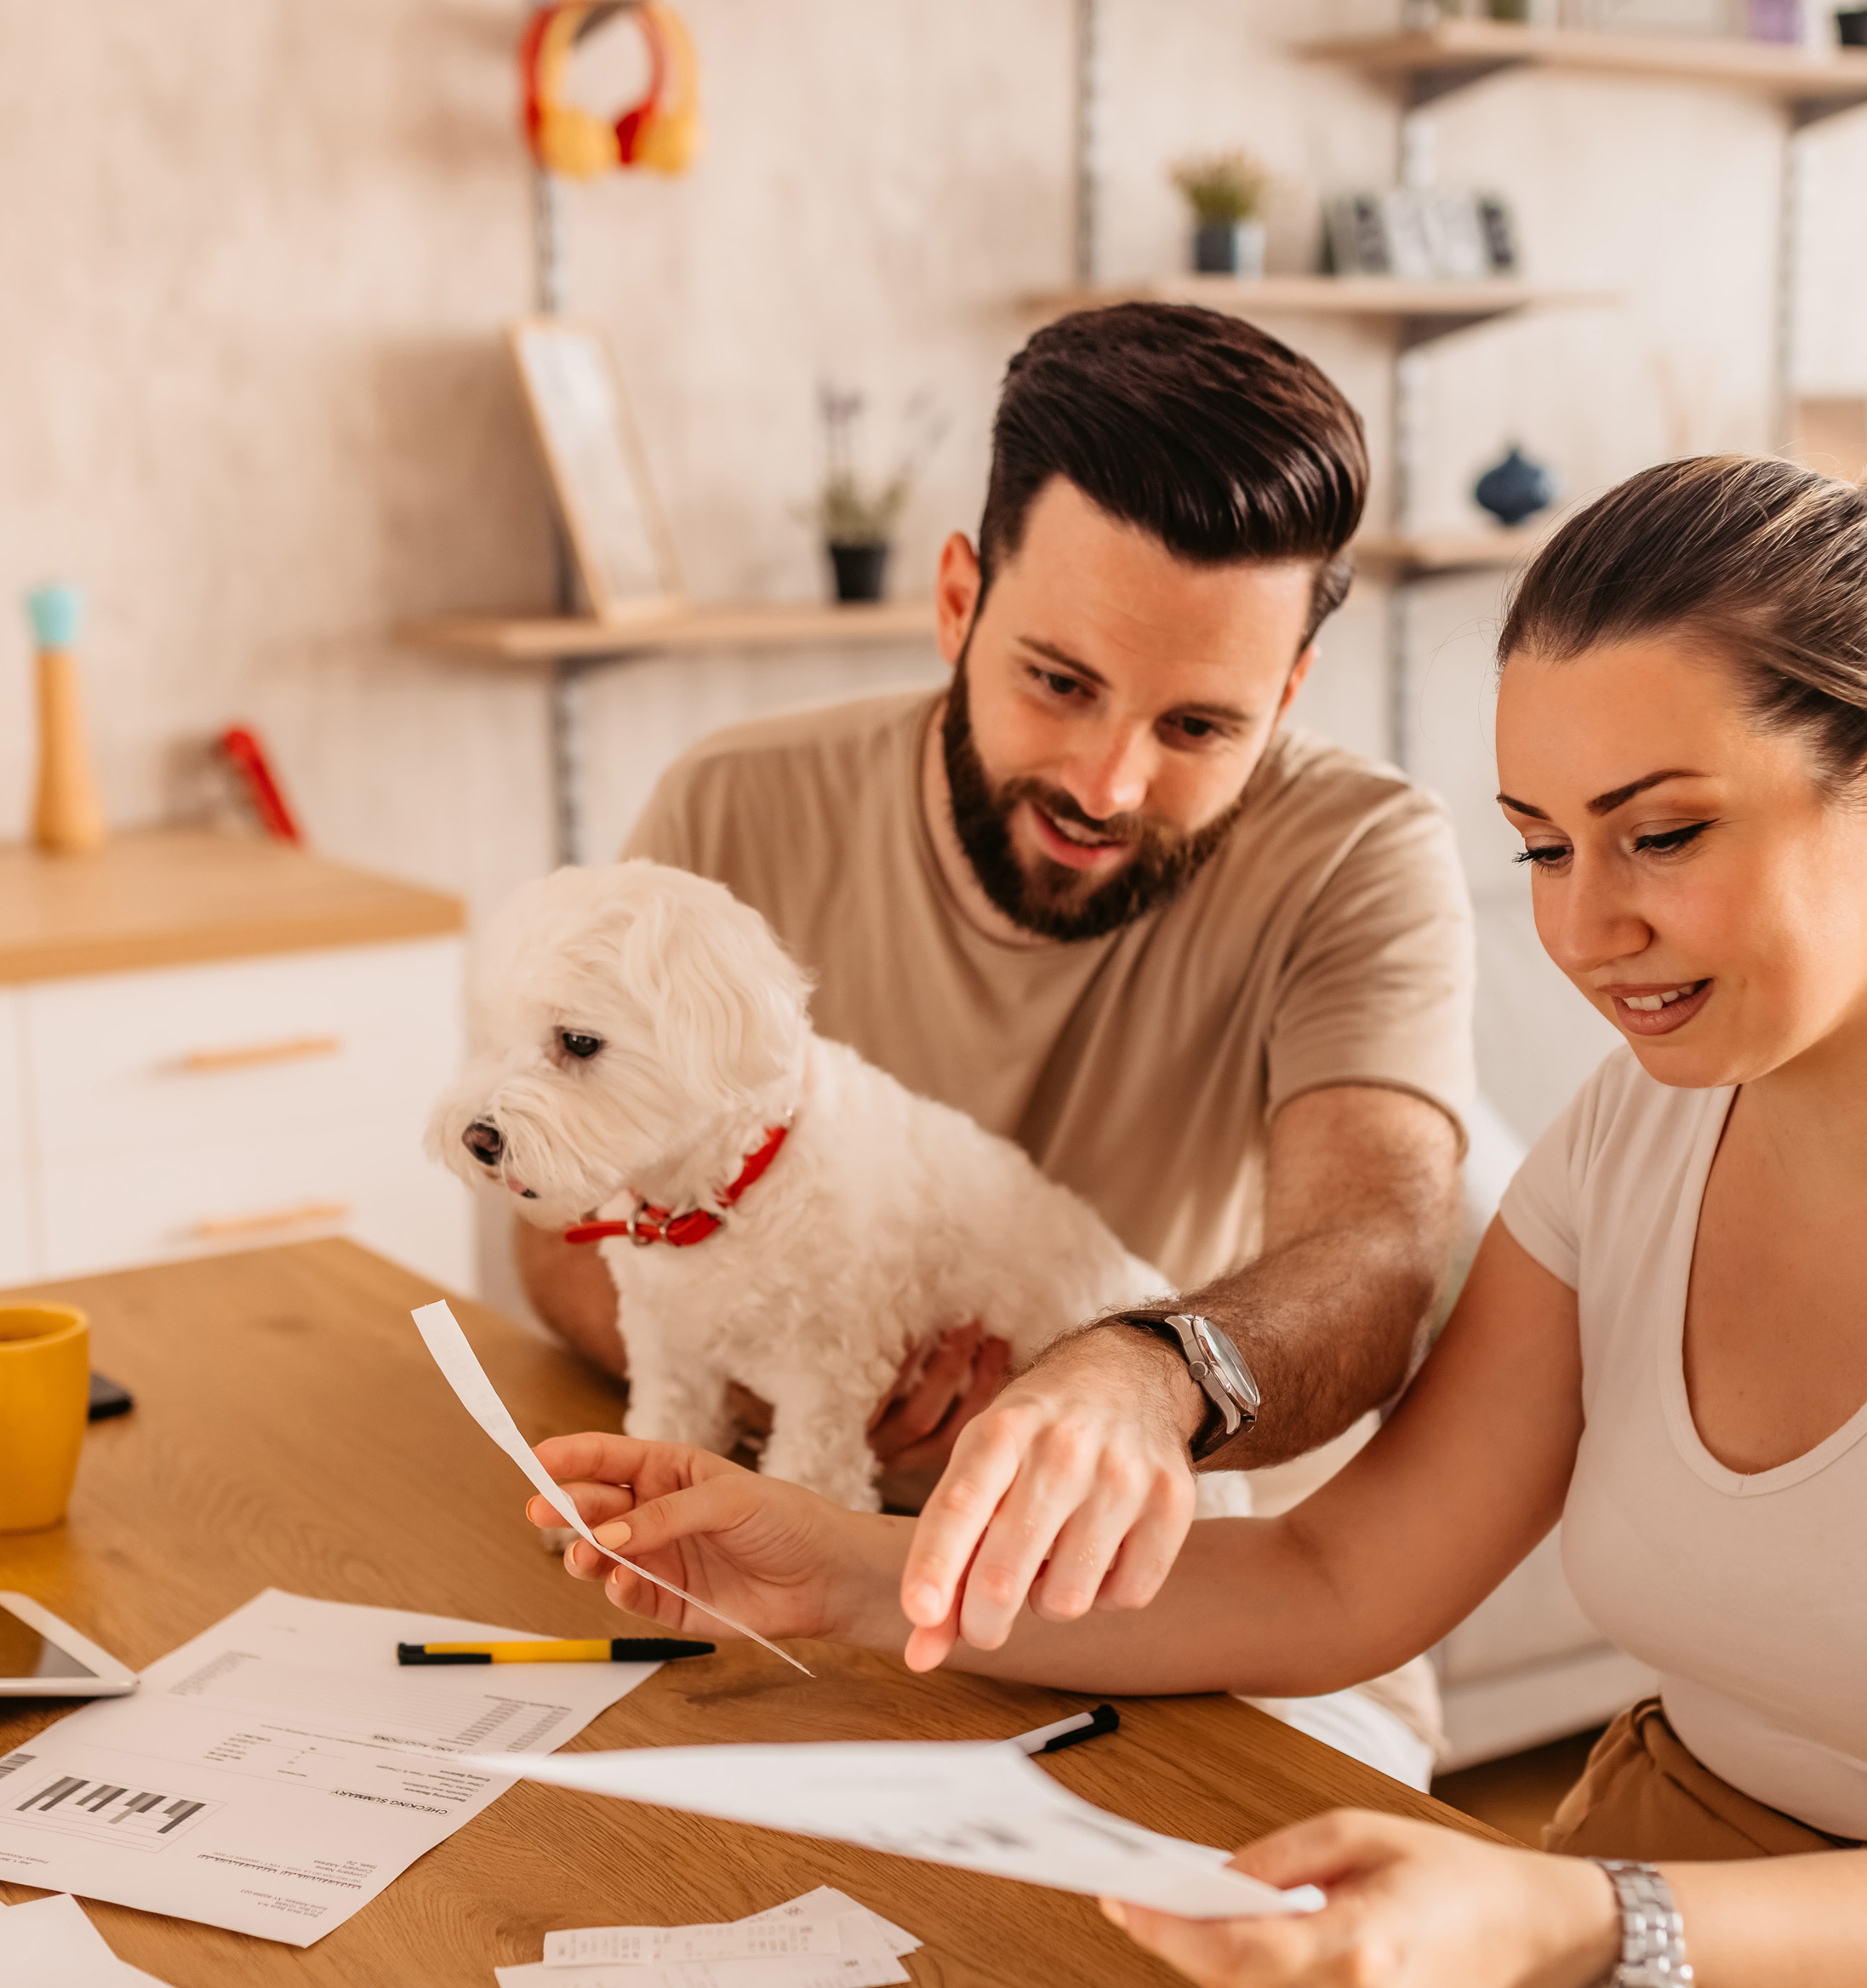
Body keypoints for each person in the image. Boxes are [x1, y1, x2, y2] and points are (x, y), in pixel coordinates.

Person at [514, 449, 1867, 1988]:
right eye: (1542, 841)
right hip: (1686, 1890)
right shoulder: (1637, 1130)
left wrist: (1571, 1921)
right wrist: (856, 1567)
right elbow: (1347, 1574)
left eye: (1661, 832)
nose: (1585, 930)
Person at [520, 303, 1477, 1656]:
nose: (1110, 785)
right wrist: (781, 1379)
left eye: (1200, 725)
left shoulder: (1360, 851)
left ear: (1294, 688)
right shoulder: (735, 809)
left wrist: (1140, 1379)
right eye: (1059, 682)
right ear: (958, 599)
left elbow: (1376, 1254)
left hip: (1189, 1610)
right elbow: (562, 1205)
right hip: (769, 1558)